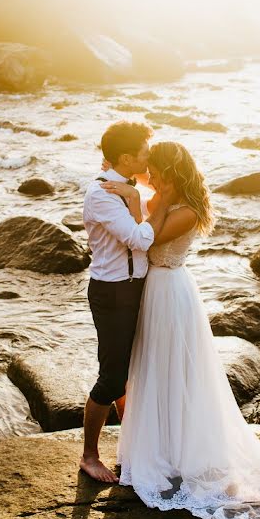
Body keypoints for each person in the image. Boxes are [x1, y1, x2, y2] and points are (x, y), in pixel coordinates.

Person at [100, 141, 260, 519]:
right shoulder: (160, 199)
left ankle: (182, 450)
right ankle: (159, 443)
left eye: (153, 168)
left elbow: (148, 243)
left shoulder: (184, 208)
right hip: (153, 293)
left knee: (176, 372)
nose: (146, 172)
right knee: (150, 370)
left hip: (171, 293)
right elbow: (138, 230)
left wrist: (141, 200)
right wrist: (134, 192)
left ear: (167, 170)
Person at [79, 121, 173, 483]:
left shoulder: (129, 182)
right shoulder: (102, 194)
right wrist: (145, 204)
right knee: (113, 376)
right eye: (145, 153)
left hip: (136, 287)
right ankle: (89, 456)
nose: (149, 158)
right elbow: (139, 239)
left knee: (133, 370)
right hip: (114, 292)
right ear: (125, 157)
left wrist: (139, 195)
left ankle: (131, 445)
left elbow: (174, 180)